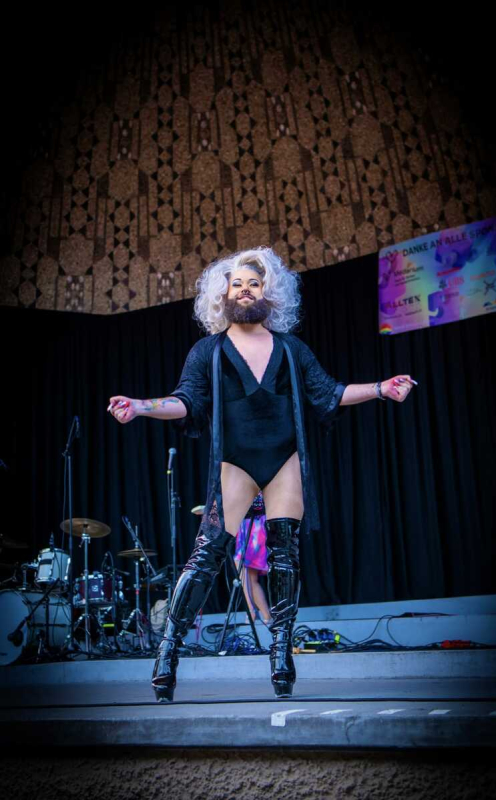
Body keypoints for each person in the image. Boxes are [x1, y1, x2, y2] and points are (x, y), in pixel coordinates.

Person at [108, 246, 415, 702]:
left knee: (285, 557)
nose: (245, 290)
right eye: (237, 284)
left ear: (268, 293)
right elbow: (185, 402)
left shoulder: (291, 348)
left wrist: (381, 389)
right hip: (235, 463)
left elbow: (328, 393)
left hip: (283, 460)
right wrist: (140, 407)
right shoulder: (208, 351)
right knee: (206, 556)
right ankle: (167, 650)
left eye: (254, 283)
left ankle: (280, 652)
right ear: (223, 294)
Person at [234, 492, 272, 626]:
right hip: (246, 525)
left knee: (241, 565)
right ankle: (266, 615)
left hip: (256, 525)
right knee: (250, 577)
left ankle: (251, 611)